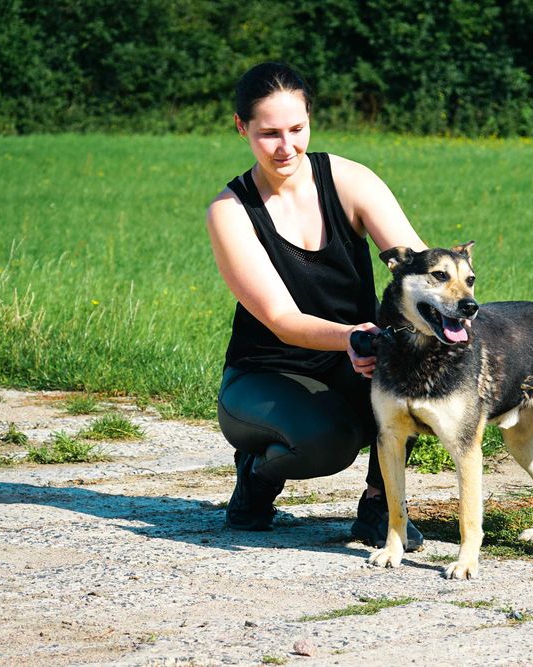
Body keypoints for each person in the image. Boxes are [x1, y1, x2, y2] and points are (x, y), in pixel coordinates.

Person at [206, 62, 425, 549]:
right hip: (265, 375)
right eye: (269, 134)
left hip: (356, 355)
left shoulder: (350, 181)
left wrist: (446, 308)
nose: (286, 147)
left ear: (310, 119)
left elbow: (413, 266)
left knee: (412, 359)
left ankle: (380, 505)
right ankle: (257, 476)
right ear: (241, 127)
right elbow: (284, 321)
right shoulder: (231, 211)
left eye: (297, 129)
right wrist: (351, 336)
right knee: (330, 441)